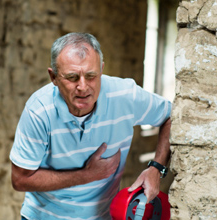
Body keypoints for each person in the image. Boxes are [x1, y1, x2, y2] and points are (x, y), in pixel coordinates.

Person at [10, 32, 172, 220]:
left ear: (101, 70)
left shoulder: (125, 96)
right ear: (53, 77)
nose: (83, 86)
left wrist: (156, 168)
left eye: (91, 75)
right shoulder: (38, 110)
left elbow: (171, 116)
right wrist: (88, 175)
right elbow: (20, 179)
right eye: (72, 77)